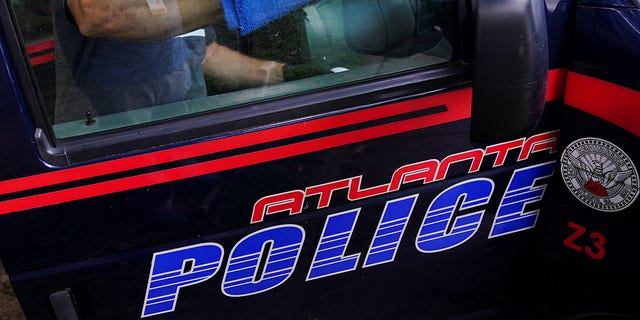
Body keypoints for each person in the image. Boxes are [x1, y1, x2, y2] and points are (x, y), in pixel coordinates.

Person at [52, 0, 301, 123]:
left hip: (178, 142)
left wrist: (285, 75)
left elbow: (207, 54)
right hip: (106, 143)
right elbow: (100, 16)